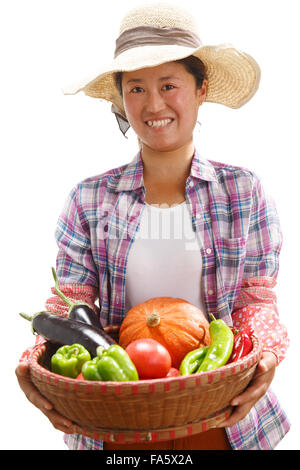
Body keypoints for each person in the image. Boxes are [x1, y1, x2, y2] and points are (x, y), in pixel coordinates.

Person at [16, 2, 290, 450]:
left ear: (201, 89)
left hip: (223, 415)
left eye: (169, 85)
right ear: (121, 99)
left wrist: (266, 359)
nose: (154, 104)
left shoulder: (243, 192)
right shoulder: (90, 199)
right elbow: (73, 303)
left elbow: (254, 302)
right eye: (137, 88)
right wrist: (36, 364)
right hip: (118, 416)